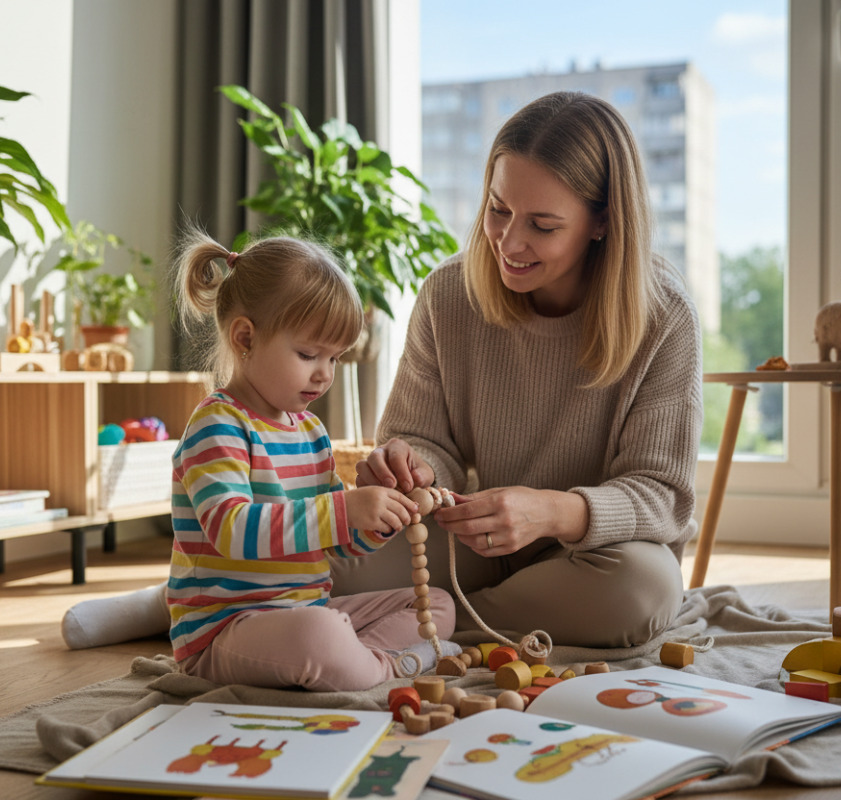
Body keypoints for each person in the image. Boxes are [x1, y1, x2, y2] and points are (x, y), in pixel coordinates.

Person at [332, 91, 702, 649]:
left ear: (602, 221)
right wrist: (412, 466)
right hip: (469, 543)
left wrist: (554, 512)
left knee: (642, 592)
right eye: (498, 210)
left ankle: (418, 621)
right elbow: (421, 438)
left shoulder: (664, 315)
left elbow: (662, 494)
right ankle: (205, 607)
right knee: (323, 556)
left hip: (590, 558)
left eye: (543, 225)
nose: (509, 242)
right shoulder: (449, 295)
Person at [62, 232, 457, 692]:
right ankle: (388, 668)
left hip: (304, 615)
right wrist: (345, 511)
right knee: (320, 635)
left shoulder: (309, 432)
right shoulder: (217, 425)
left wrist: (376, 521)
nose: (324, 374)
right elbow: (231, 529)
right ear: (246, 337)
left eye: (334, 358)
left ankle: (353, 658)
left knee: (437, 606)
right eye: (308, 354)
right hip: (225, 631)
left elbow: (334, 545)